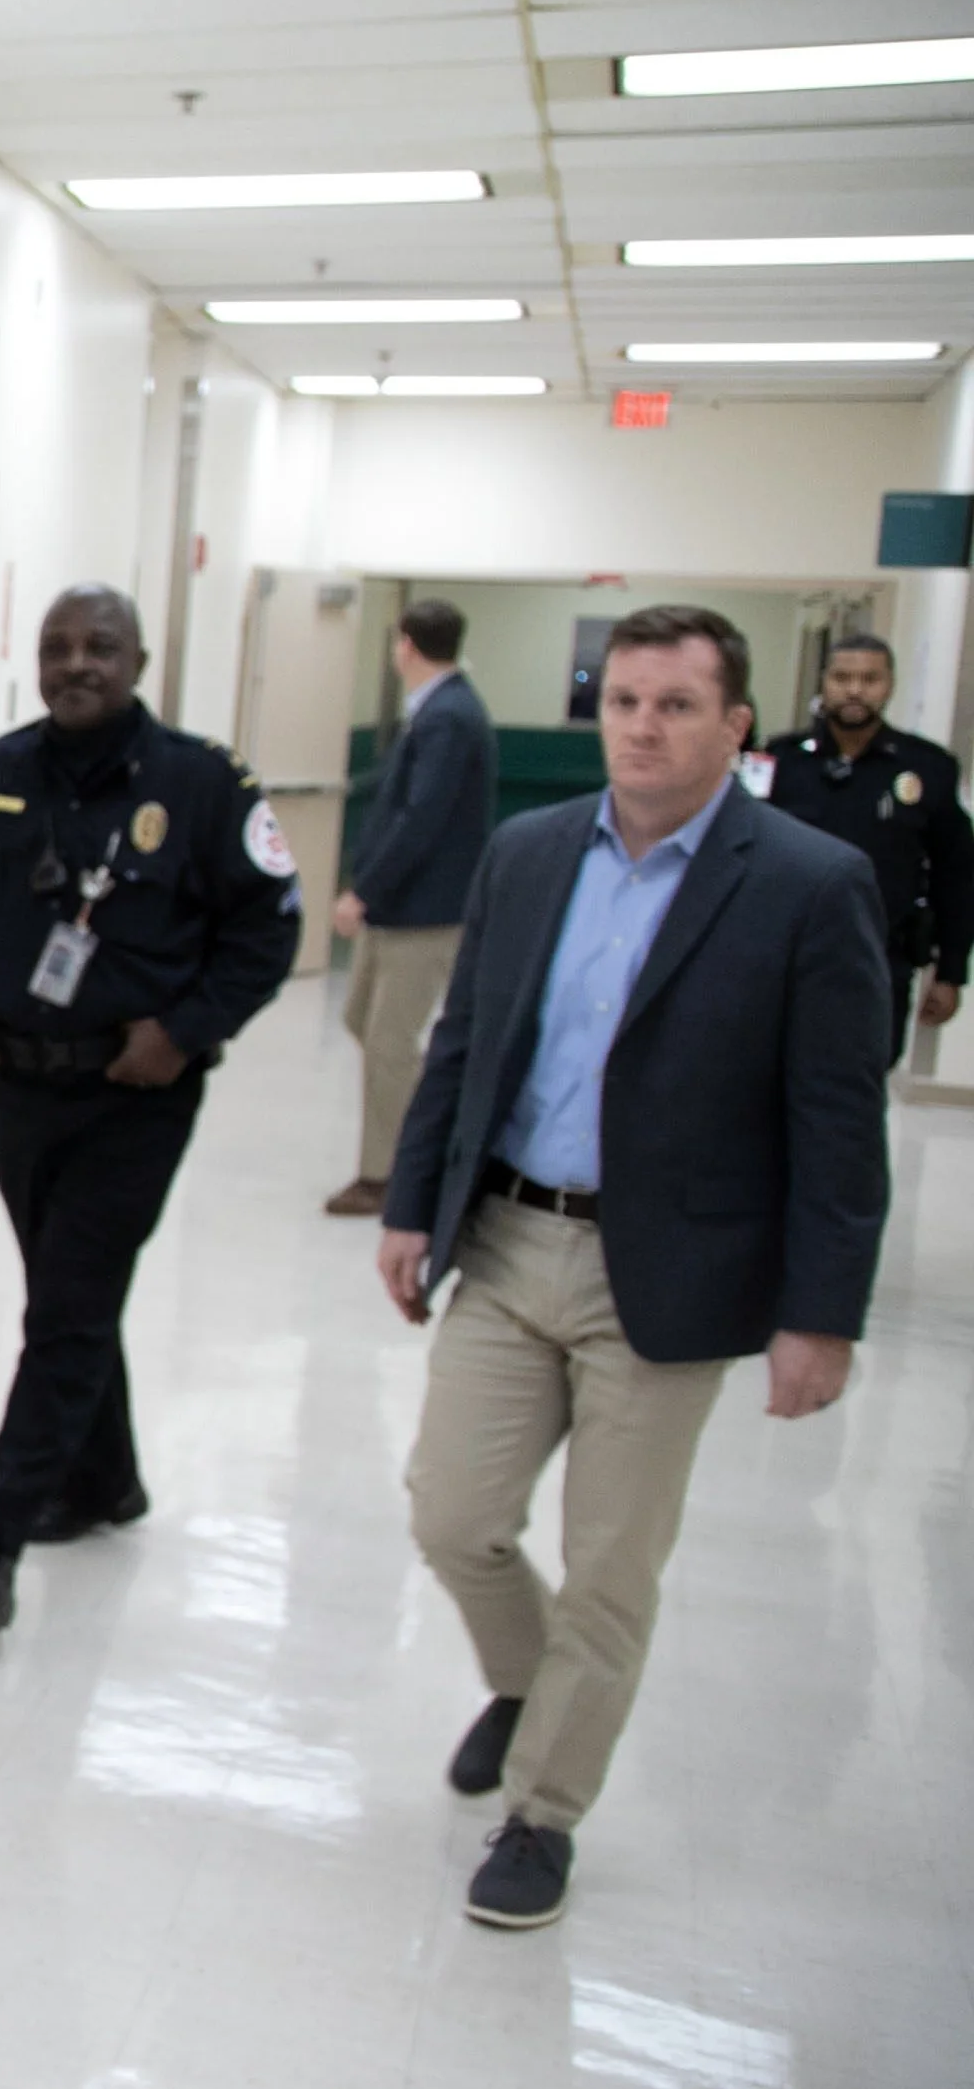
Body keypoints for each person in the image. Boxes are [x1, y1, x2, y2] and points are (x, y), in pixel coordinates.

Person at [377, 603, 890, 1931]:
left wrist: (818, 1315)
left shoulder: (807, 882)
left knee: (609, 1564)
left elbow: (838, 1123)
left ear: (735, 726)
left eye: (675, 705)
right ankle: (525, 1677)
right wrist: (413, 1202)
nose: (642, 726)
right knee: (451, 1511)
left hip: (668, 1274)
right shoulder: (531, 852)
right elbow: (468, 1040)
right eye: (623, 702)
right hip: (508, 1235)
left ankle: (542, 1814)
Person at [0, 587, 301, 1634]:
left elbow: (267, 932)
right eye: (57, 647)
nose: (75, 663)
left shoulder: (202, 783)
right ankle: (107, 1482)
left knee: (68, 1307)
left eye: (98, 646)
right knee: (67, 1297)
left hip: (135, 1096)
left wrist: (180, 1032)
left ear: (139, 658)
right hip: (22, 1087)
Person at [326, 599, 496, 1216]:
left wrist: (362, 890)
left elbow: (421, 819)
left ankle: (389, 1176)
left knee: (389, 1039)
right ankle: (426, 1137)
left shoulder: (449, 717)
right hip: (399, 910)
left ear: (405, 645)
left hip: (423, 913)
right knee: (362, 1023)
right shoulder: (435, 713)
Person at [752, 632, 972, 1064]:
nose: (855, 689)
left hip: (880, 960)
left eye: (870, 678)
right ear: (824, 683)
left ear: (889, 685)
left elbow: (957, 872)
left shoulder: (927, 767)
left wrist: (949, 972)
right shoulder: (780, 759)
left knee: (860, 1088)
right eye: (842, 677)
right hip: (782, 957)